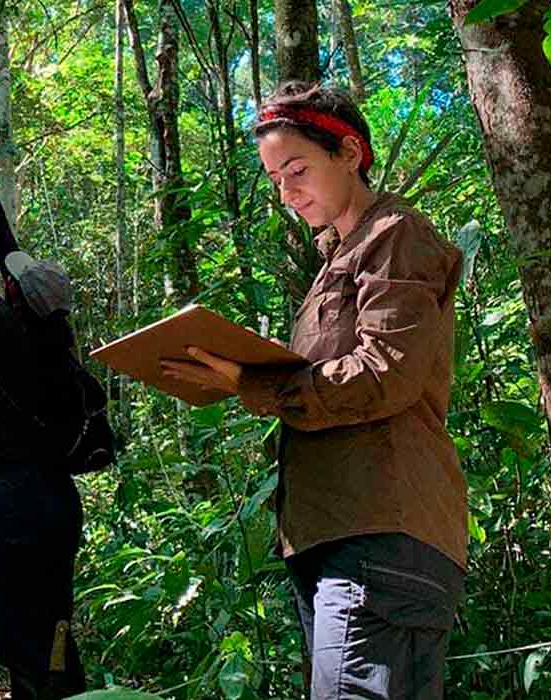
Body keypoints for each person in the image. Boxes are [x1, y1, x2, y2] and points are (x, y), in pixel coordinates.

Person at [162, 82, 467, 700]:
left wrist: (258, 384)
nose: (287, 190)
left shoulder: (394, 234)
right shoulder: (336, 258)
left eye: (298, 169)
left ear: (350, 154)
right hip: (334, 534)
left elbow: (386, 370)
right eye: (275, 179)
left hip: (381, 529)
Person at [0, 179, 88, 698]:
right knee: (54, 617)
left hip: (18, 504)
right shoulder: (53, 341)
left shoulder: (12, 344)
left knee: (16, 624)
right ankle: (65, 691)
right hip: (58, 503)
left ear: (15, 299)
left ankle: (37, 691)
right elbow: (10, 270)